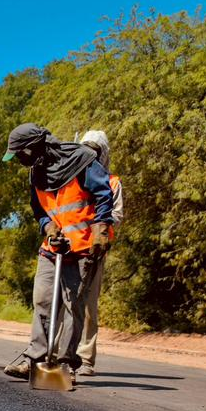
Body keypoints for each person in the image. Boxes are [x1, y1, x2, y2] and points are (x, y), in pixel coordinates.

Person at [0, 123, 114, 381]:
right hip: (53, 247)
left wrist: (101, 229)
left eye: (19, 154)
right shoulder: (36, 173)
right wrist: (48, 227)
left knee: (74, 305)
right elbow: (37, 208)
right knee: (42, 300)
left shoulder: (82, 160)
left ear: (32, 149)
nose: (18, 160)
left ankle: (65, 365)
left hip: (83, 246)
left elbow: (104, 195)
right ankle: (35, 360)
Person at [74, 130, 125, 376]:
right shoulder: (71, 180)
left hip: (94, 251)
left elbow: (117, 215)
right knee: (63, 303)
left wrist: (99, 227)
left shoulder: (113, 182)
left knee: (88, 306)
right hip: (70, 247)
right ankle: (59, 355)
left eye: (94, 151)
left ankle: (85, 359)